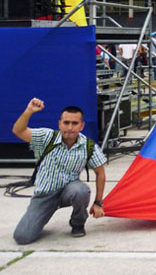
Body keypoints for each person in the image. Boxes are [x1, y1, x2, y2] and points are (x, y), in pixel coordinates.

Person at [12, 98, 107, 244]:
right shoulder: (46, 137)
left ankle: (77, 224)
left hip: (69, 192)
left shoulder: (88, 146)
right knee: (22, 237)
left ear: (82, 126)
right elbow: (18, 131)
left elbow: (100, 173)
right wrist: (29, 111)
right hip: (45, 195)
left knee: (81, 191)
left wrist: (98, 203)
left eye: (74, 123)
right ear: (59, 124)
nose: (70, 127)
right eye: (66, 123)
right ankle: (40, 217)